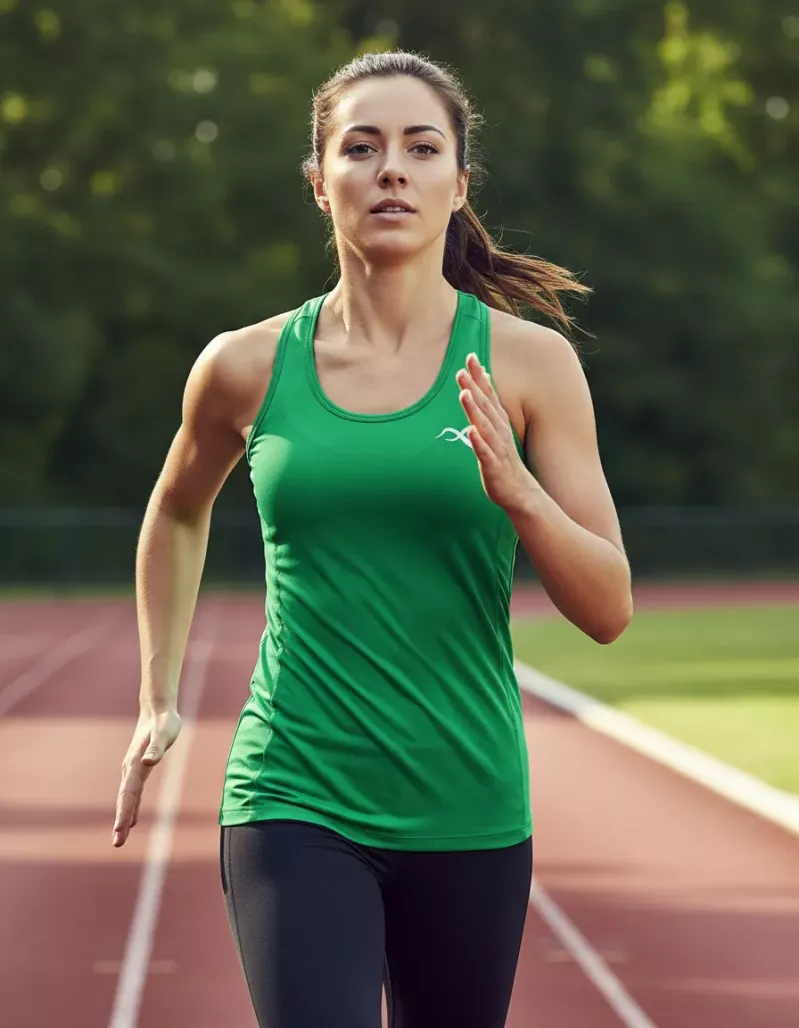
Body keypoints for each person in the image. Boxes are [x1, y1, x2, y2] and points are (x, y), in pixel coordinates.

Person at [112, 50, 632, 1028]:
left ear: (456, 183)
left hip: (467, 797)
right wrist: (155, 694)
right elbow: (178, 508)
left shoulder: (530, 365)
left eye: (419, 146)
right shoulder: (243, 366)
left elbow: (608, 608)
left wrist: (519, 493)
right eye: (361, 146)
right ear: (320, 182)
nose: (390, 168)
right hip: (293, 789)